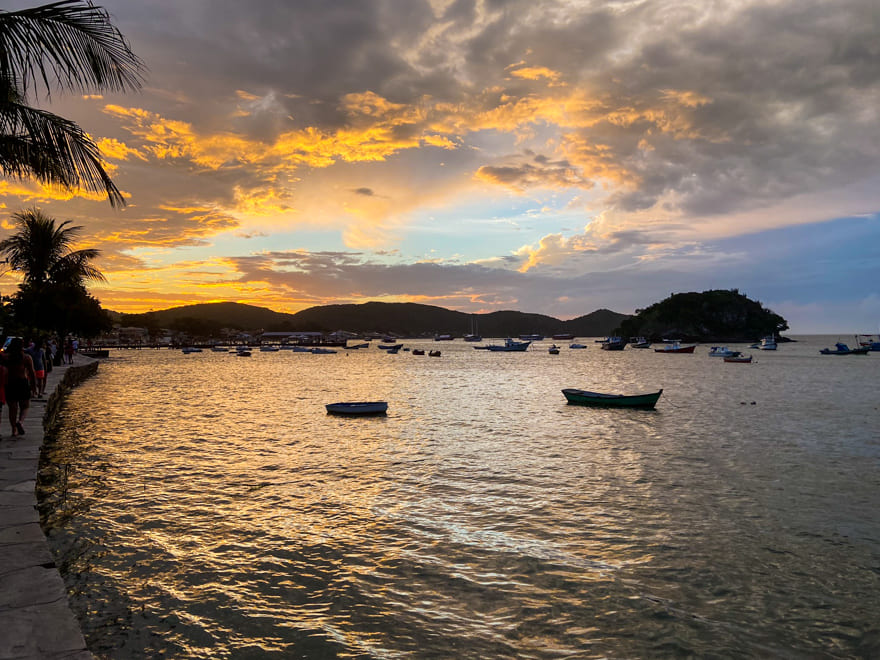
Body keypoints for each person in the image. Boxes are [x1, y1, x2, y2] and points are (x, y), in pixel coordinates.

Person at [3, 337, 36, 437]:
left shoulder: (5, 357)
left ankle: (14, 429)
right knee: (25, 406)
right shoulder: (26, 358)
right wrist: (34, 387)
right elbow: (32, 373)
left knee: (12, 408)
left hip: (10, 383)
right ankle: (20, 422)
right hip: (22, 383)